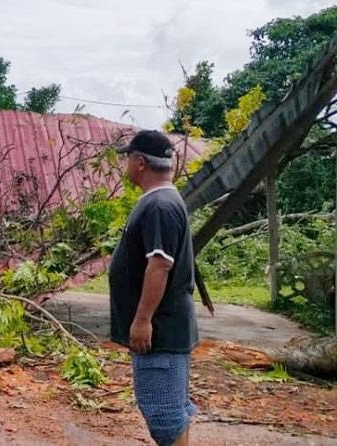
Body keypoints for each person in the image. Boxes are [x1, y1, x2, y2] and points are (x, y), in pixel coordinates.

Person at [109, 130, 198, 446]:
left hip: (159, 331)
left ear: (140, 162)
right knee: (173, 413)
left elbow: (160, 264)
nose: (127, 164)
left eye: (128, 158)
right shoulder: (164, 200)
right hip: (167, 329)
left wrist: (142, 319)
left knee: (165, 415)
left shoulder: (159, 205)